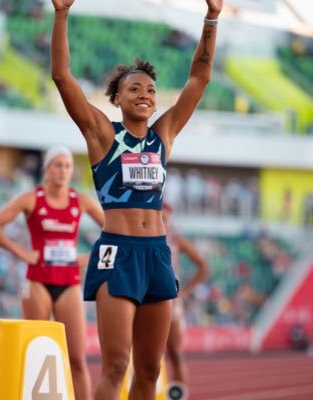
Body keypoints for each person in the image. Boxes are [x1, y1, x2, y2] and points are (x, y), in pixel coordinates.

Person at [50, 1, 222, 398]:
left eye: (150, 90)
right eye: (134, 88)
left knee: (149, 370)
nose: (144, 94)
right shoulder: (102, 135)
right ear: (118, 98)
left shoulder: (164, 134)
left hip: (157, 256)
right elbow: (62, 76)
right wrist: (61, 14)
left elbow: (199, 79)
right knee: (116, 365)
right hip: (118, 254)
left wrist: (211, 17)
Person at [0, 145, 104, 400]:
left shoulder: (79, 200)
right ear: (47, 169)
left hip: (69, 282)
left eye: (67, 166)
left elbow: (115, 230)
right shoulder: (31, 198)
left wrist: (91, 258)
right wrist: (22, 253)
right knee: (35, 351)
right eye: (57, 165)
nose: (62, 170)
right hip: (37, 281)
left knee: (77, 358)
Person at [162, 203, 208, 400]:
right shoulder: (144, 234)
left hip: (172, 298)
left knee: (174, 351)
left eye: (166, 217)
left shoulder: (175, 239)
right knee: (146, 353)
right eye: (160, 215)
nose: (164, 220)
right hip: (147, 298)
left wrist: (186, 291)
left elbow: (203, 266)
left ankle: (180, 396)